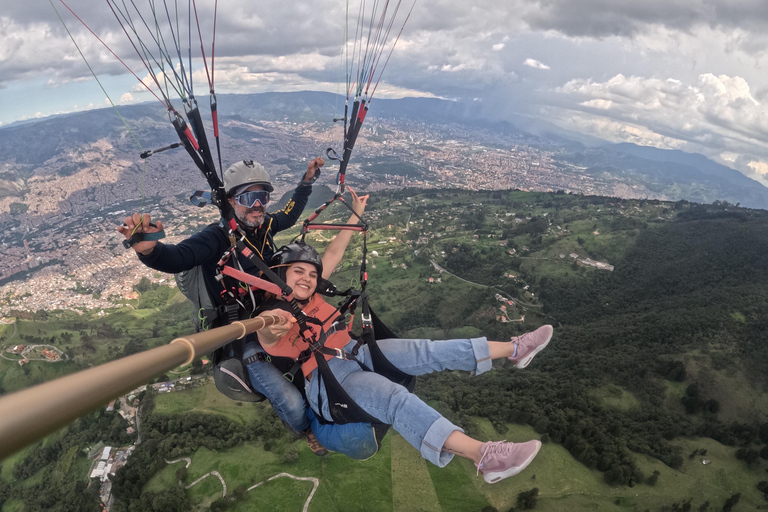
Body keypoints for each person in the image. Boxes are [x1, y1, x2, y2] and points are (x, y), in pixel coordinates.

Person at [254, 196, 554, 483]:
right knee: (395, 399)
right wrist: (274, 323)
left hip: (356, 350)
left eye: (311, 273)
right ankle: (485, 457)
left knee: (424, 350)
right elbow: (267, 331)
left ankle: (515, 349)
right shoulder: (274, 314)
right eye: (298, 272)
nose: (307, 278)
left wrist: (355, 213)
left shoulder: (313, 292)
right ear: (280, 275)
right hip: (330, 377)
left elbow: (333, 253)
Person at [118, 157, 328, 453]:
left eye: (263, 197)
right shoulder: (215, 238)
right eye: (248, 198)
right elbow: (179, 256)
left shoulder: (265, 226)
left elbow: (290, 213)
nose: (257, 205)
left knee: (319, 364)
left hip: (272, 315)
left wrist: (306, 182)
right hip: (239, 334)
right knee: (291, 402)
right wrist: (150, 251)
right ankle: (304, 428)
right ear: (230, 202)